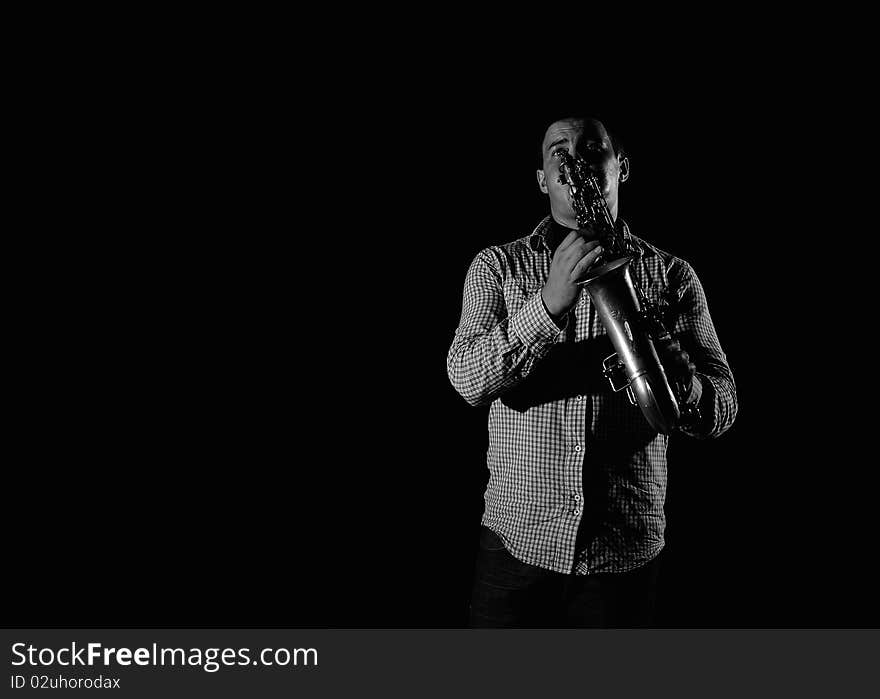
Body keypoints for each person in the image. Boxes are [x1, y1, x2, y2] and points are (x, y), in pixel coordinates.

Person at [446, 116, 737, 628]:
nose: (573, 158)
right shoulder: (496, 267)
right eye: (557, 149)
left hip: (622, 556)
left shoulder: (673, 275)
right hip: (516, 548)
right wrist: (549, 304)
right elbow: (466, 380)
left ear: (620, 168)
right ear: (541, 178)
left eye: (591, 147)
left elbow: (725, 406)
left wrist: (685, 383)